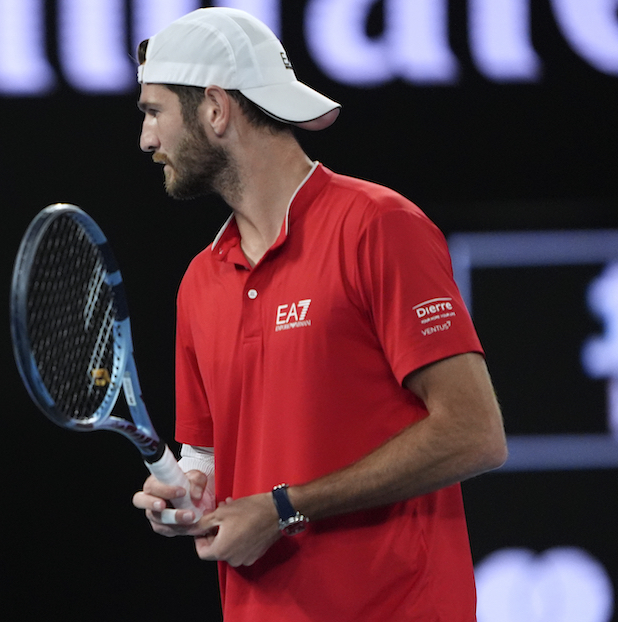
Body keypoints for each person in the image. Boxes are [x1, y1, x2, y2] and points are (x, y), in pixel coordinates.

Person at [129, 9, 508, 621]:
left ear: (216, 109)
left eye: (154, 112)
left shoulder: (379, 228)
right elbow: (206, 460)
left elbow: (475, 434)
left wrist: (284, 508)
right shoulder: (199, 281)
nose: (147, 140)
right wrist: (191, 498)